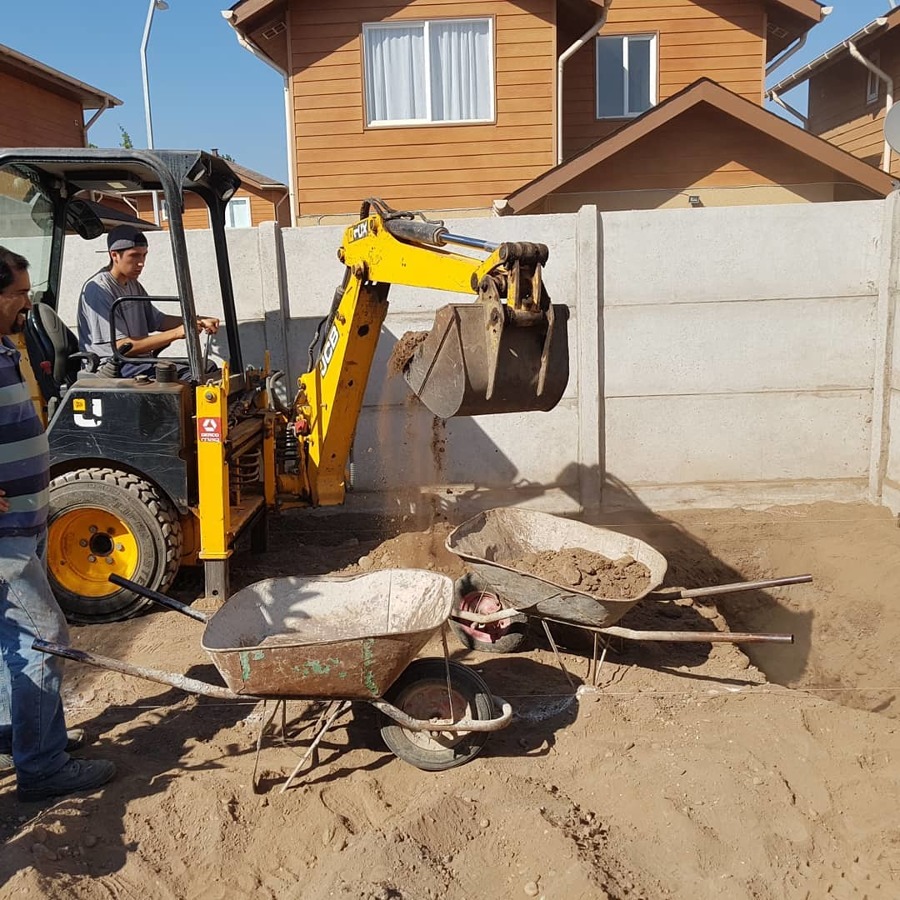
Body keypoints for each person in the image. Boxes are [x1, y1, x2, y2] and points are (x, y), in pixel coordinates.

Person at [0, 246, 116, 802]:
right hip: (5, 536)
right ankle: (42, 766)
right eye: (18, 293)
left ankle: (15, 734)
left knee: (10, 636)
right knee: (43, 636)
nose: (29, 301)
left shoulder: (5, 345)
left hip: (27, 516)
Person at [77, 225, 220, 379]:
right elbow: (121, 347)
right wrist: (177, 333)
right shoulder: (99, 290)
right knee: (192, 378)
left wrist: (196, 321)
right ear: (115, 255)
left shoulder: (132, 284)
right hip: (114, 367)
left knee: (207, 367)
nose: (141, 263)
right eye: (134, 256)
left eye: (144, 255)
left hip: (137, 362)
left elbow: (158, 320)